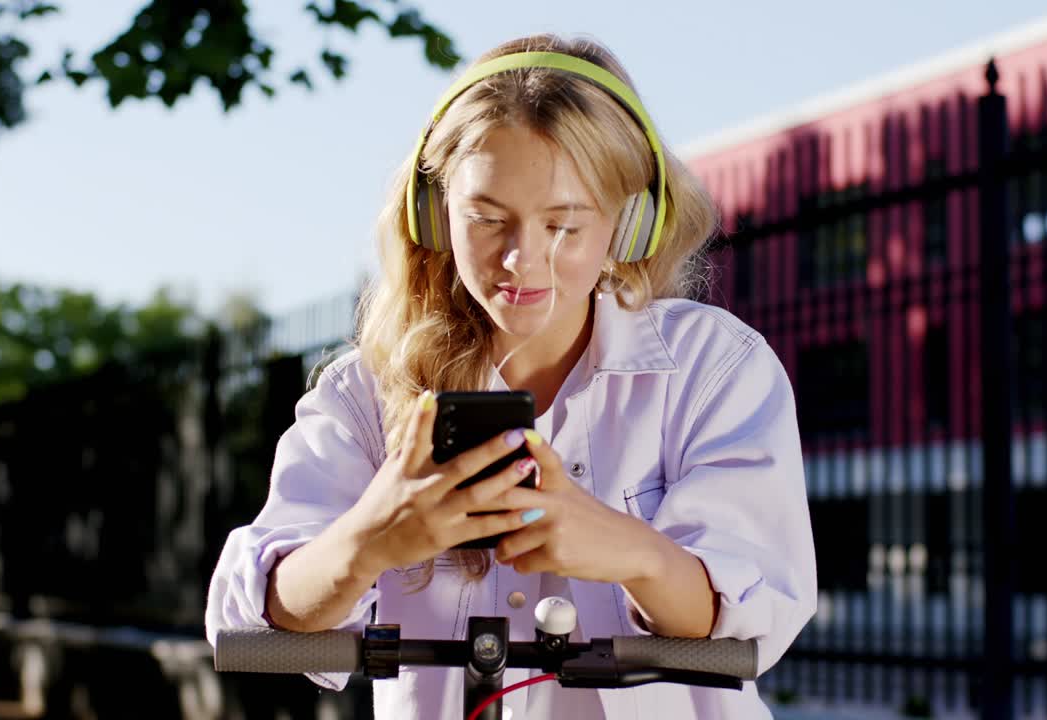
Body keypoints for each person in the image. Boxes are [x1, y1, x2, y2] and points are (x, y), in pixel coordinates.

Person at [205, 32, 817, 720]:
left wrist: (634, 553)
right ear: (434, 216)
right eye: (487, 219)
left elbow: (754, 612)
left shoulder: (713, 371)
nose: (522, 260)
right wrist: (370, 539)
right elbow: (249, 619)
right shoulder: (363, 394)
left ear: (630, 223)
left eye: (564, 225)